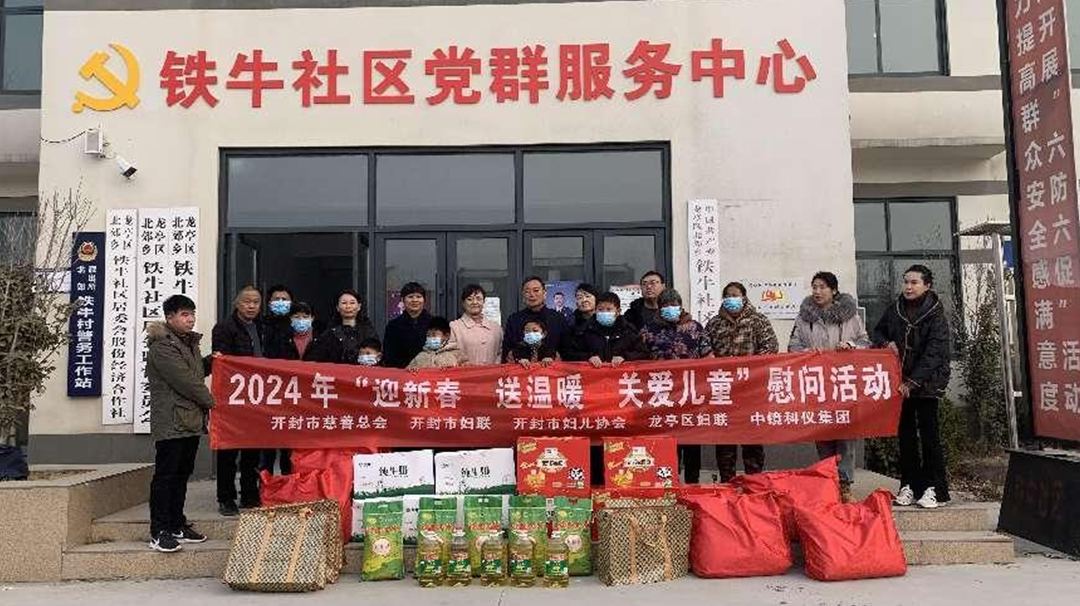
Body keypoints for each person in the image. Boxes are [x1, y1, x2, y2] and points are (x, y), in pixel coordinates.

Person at [872, 264, 952, 509]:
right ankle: (909, 485)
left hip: (927, 385)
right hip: (900, 385)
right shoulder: (895, 309)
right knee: (905, 437)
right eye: (906, 281)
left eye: (914, 282)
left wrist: (913, 382)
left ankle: (935, 489)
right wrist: (885, 343)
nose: (908, 287)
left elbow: (935, 354)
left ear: (927, 286)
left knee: (929, 437)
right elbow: (878, 331)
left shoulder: (936, 314)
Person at [788, 271, 871, 502]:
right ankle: (827, 481)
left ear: (834, 290)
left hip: (844, 383)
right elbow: (793, 346)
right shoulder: (804, 317)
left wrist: (851, 345)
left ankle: (845, 484)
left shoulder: (850, 316)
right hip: (817, 384)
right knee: (823, 433)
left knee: (845, 435)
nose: (817, 291)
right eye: (814, 287)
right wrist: (808, 352)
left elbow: (866, 342)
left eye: (822, 287)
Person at [146, 294, 213, 553]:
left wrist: (212, 361)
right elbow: (185, 381)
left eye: (192, 314)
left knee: (182, 475)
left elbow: (195, 372)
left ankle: (176, 524)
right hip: (172, 421)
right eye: (185, 314)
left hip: (189, 420)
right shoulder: (162, 345)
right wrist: (213, 403)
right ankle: (159, 531)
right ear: (170, 317)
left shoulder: (188, 343)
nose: (190, 319)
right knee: (167, 476)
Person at [563, 291, 650, 483]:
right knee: (593, 438)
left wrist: (626, 358)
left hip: (621, 398)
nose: (604, 313)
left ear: (618, 311)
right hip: (591, 396)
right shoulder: (584, 331)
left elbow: (644, 354)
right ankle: (594, 483)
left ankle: (618, 480)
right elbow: (569, 353)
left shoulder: (629, 331)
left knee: (617, 438)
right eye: (600, 309)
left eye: (608, 309)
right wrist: (587, 358)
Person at [706, 281, 778, 483]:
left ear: (744, 297)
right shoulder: (714, 323)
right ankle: (727, 482)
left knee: (752, 438)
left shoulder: (758, 320)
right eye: (727, 295)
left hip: (751, 390)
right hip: (724, 390)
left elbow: (770, 347)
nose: (731, 299)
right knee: (725, 440)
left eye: (735, 295)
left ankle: (754, 482)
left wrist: (749, 368)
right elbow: (705, 349)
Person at [641, 289, 712, 483]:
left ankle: (692, 482)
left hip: (690, 393)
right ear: (659, 308)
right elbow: (638, 359)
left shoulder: (695, 328)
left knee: (691, 440)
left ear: (680, 306)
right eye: (665, 305)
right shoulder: (649, 330)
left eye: (674, 304)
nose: (670, 308)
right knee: (667, 441)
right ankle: (668, 483)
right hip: (662, 394)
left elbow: (708, 356)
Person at [211, 285, 265, 516]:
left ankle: (249, 494)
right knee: (229, 450)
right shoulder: (224, 328)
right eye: (247, 301)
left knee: (253, 449)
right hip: (232, 397)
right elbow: (222, 362)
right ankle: (226, 498)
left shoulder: (262, 327)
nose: (251, 306)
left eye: (256, 302)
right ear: (237, 303)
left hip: (258, 396)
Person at [260, 301, 319, 475]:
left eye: (305, 316)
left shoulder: (322, 340)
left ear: (312, 318)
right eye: (297, 316)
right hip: (284, 397)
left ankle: (296, 480)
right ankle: (268, 481)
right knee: (278, 441)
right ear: (290, 319)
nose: (301, 320)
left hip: (311, 399)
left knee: (301, 444)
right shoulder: (281, 339)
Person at [502, 277, 568, 361]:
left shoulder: (558, 318)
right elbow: (507, 350)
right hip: (522, 368)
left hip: (553, 368)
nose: (532, 295)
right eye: (527, 292)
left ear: (544, 293)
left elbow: (567, 350)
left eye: (536, 290)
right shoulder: (514, 320)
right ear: (523, 295)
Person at [308, 289, 378, 365]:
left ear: (359, 307)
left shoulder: (368, 331)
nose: (348, 306)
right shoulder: (329, 333)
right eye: (344, 303)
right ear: (337, 308)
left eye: (352, 303)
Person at [449, 284, 503, 366]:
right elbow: (450, 355)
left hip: (493, 373)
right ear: (463, 303)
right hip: (465, 373)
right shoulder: (454, 327)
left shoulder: (496, 328)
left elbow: (500, 354)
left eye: (478, 299)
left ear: (483, 302)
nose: (474, 302)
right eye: (469, 299)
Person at [383, 282, 433, 368]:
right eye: (410, 297)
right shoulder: (393, 326)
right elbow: (389, 356)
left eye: (418, 296)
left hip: (429, 371)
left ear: (424, 300)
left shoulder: (434, 323)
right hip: (402, 372)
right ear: (403, 300)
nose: (415, 300)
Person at [563, 283, 599, 360]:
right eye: (579, 298)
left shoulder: (605, 320)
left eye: (587, 296)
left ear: (596, 299)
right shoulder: (570, 323)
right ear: (576, 303)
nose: (584, 300)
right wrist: (589, 357)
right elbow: (566, 353)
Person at [261, 284, 294, 358]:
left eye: (284, 299)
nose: (280, 302)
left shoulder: (296, 325)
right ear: (270, 303)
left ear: (291, 304)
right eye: (276, 299)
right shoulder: (262, 325)